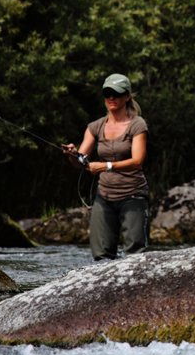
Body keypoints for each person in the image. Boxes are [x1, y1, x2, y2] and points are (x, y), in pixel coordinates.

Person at [63, 73, 150, 260]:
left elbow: (137, 161)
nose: (112, 98)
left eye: (117, 94)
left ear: (127, 96)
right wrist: (72, 155)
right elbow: (80, 163)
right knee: (101, 255)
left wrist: (106, 166)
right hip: (104, 198)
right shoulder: (95, 126)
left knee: (136, 255)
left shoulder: (137, 125)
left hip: (133, 196)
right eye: (108, 93)